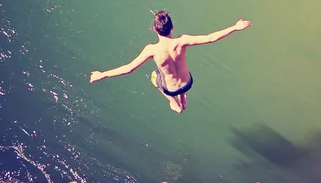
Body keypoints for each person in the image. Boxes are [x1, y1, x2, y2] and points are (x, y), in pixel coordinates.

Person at [90, 11, 251, 113]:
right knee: (180, 79)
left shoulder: (151, 50)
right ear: (172, 27)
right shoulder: (182, 41)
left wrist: (102, 74)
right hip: (188, 83)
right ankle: (183, 100)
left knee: (156, 78)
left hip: (170, 89)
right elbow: (210, 38)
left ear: (154, 29)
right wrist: (235, 27)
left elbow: (129, 69)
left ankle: (175, 104)